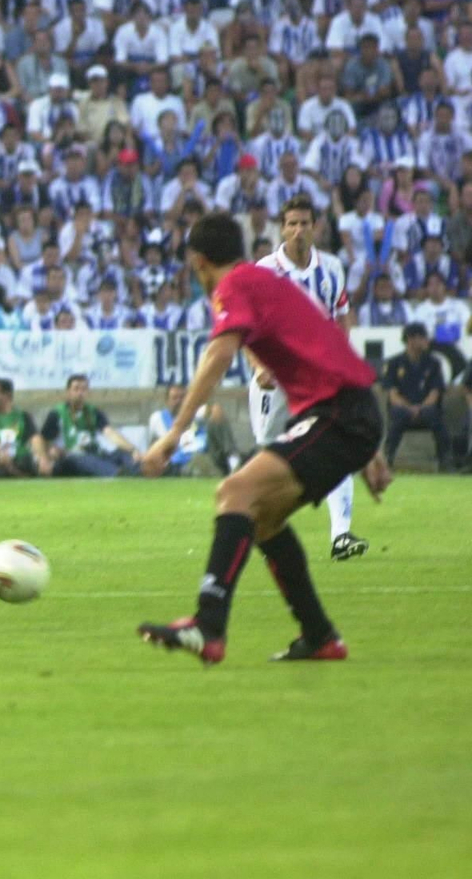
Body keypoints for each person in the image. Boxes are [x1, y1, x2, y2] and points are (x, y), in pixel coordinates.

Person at [139, 212, 390, 666]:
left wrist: (173, 435)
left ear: (197, 261)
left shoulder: (234, 286)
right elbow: (329, 346)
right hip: (348, 411)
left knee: (235, 491)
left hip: (340, 414)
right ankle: (320, 636)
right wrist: (371, 447)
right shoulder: (259, 281)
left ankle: (208, 626)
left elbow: (218, 353)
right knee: (265, 518)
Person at [246, 194, 365, 559]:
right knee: (269, 450)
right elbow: (244, 326)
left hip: (318, 377)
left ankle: (341, 535)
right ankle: (255, 522)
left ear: (316, 227)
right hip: (277, 377)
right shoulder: (265, 271)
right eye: (292, 223)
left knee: (338, 447)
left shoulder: (331, 269)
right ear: (282, 228)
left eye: (304, 223)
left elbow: (342, 314)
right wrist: (258, 366)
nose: (298, 230)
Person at [381, 323, 449, 470]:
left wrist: (420, 408)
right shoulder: (394, 363)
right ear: (410, 339)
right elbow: (393, 394)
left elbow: (435, 392)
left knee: (435, 417)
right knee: (397, 415)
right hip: (403, 408)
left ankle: (444, 460)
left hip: (426, 408)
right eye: (422, 338)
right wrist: (410, 408)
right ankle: (388, 459)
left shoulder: (433, 363)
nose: (426, 341)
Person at [40, 375, 139, 476]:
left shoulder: (94, 412)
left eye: (83, 389)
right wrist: (47, 456)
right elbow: (43, 439)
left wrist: (132, 450)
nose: (80, 393)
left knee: (123, 454)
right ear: (68, 392)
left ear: (88, 392)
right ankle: (116, 474)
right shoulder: (57, 413)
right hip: (70, 457)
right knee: (84, 458)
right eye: (76, 389)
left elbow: (110, 433)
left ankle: (138, 472)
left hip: (94, 453)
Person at [147, 384, 239, 478]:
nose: (179, 401)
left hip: (208, 453)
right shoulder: (158, 418)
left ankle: (234, 461)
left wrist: (214, 410)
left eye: (182, 397)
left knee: (217, 417)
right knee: (197, 462)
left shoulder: (196, 412)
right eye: (174, 398)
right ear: (167, 401)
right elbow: (153, 447)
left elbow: (212, 409)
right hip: (182, 461)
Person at [0, 378, 48, 478]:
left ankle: (14, 472)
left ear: (7, 395)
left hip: (19, 454)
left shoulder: (23, 416)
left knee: (44, 456)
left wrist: (42, 457)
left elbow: (35, 438)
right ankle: (11, 472)